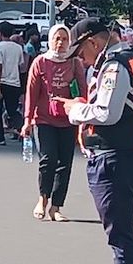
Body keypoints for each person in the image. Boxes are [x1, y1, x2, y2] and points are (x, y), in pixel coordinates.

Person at [57, 18, 133, 264]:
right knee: (122, 234)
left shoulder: (114, 66)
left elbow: (107, 113)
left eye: (80, 52)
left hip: (117, 156)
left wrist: (76, 110)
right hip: (127, 153)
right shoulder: (129, 60)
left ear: (93, 43)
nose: (80, 60)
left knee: (120, 236)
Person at [21, 24, 87, 222]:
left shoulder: (75, 63)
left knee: (65, 163)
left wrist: (83, 118)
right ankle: (43, 199)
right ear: (49, 40)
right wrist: (27, 121)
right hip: (43, 119)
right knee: (48, 159)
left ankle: (56, 207)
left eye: (65, 39)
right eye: (57, 38)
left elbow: (83, 92)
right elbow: (31, 94)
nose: (60, 43)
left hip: (68, 120)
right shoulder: (40, 62)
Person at [0, 21, 26, 146]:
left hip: (1, 81)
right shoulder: (18, 48)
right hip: (14, 82)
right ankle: (23, 127)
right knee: (12, 110)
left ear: (0, 33)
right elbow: (21, 65)